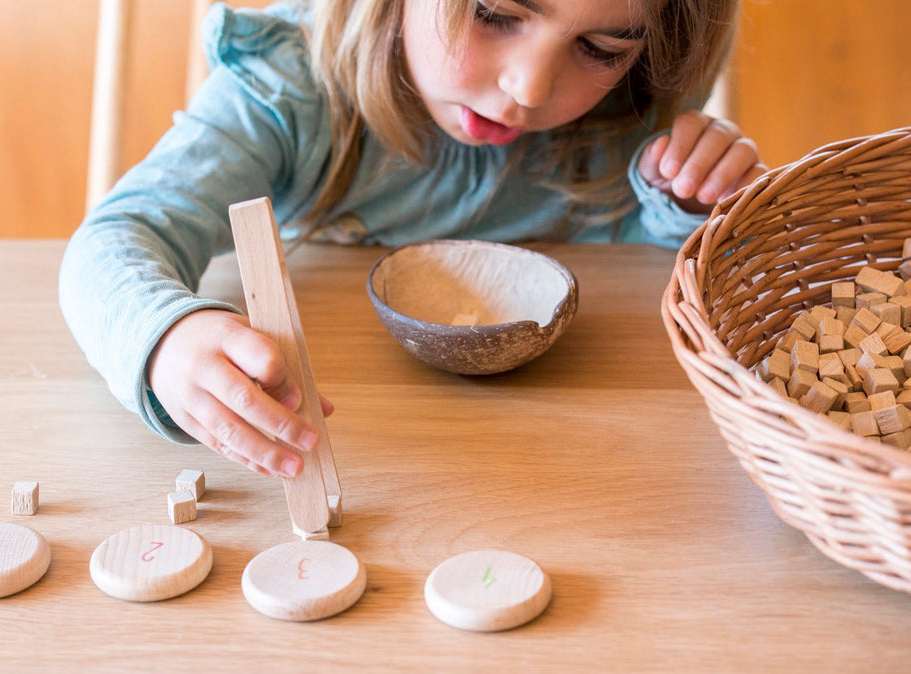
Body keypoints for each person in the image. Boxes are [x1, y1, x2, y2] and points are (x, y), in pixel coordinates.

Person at [59, 0, 766, 479]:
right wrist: (163, 339)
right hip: (375, 453)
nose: (527, 86)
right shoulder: (286, 90)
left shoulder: (624, 118)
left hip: (568, 463)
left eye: (601, 47)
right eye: (495, 13)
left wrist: (683, 202)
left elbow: (644, 263)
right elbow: (119, 237)